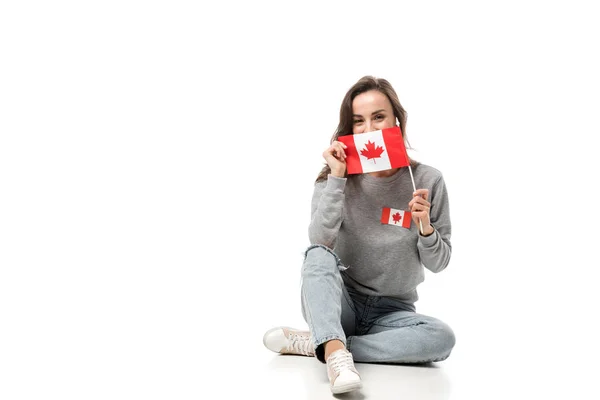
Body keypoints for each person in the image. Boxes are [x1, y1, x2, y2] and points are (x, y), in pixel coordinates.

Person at [263, 76, 456, 394]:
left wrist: (425, 228)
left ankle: (325, 343)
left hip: (393, 313)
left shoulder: (428, 180)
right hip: (342, 304)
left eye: (379, 117)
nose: (370, 130)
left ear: (396, 120)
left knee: (441, 338)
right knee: (316, 253)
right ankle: (335, 349)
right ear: (349, 130)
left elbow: (439, 263)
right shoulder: (332, 180)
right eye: (359, 121)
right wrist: (338, 179)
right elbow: (320, 246)